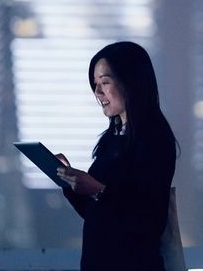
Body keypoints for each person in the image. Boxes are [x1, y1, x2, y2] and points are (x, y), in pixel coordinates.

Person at [55, 41, 177, 270]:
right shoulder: (112, 138)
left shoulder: (154, 138)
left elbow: (150, 220)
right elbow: (98, 215)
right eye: (94, 84)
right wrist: (69, 183)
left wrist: (98, 190)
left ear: (130, 82)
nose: (98, 92)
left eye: (105, 82)